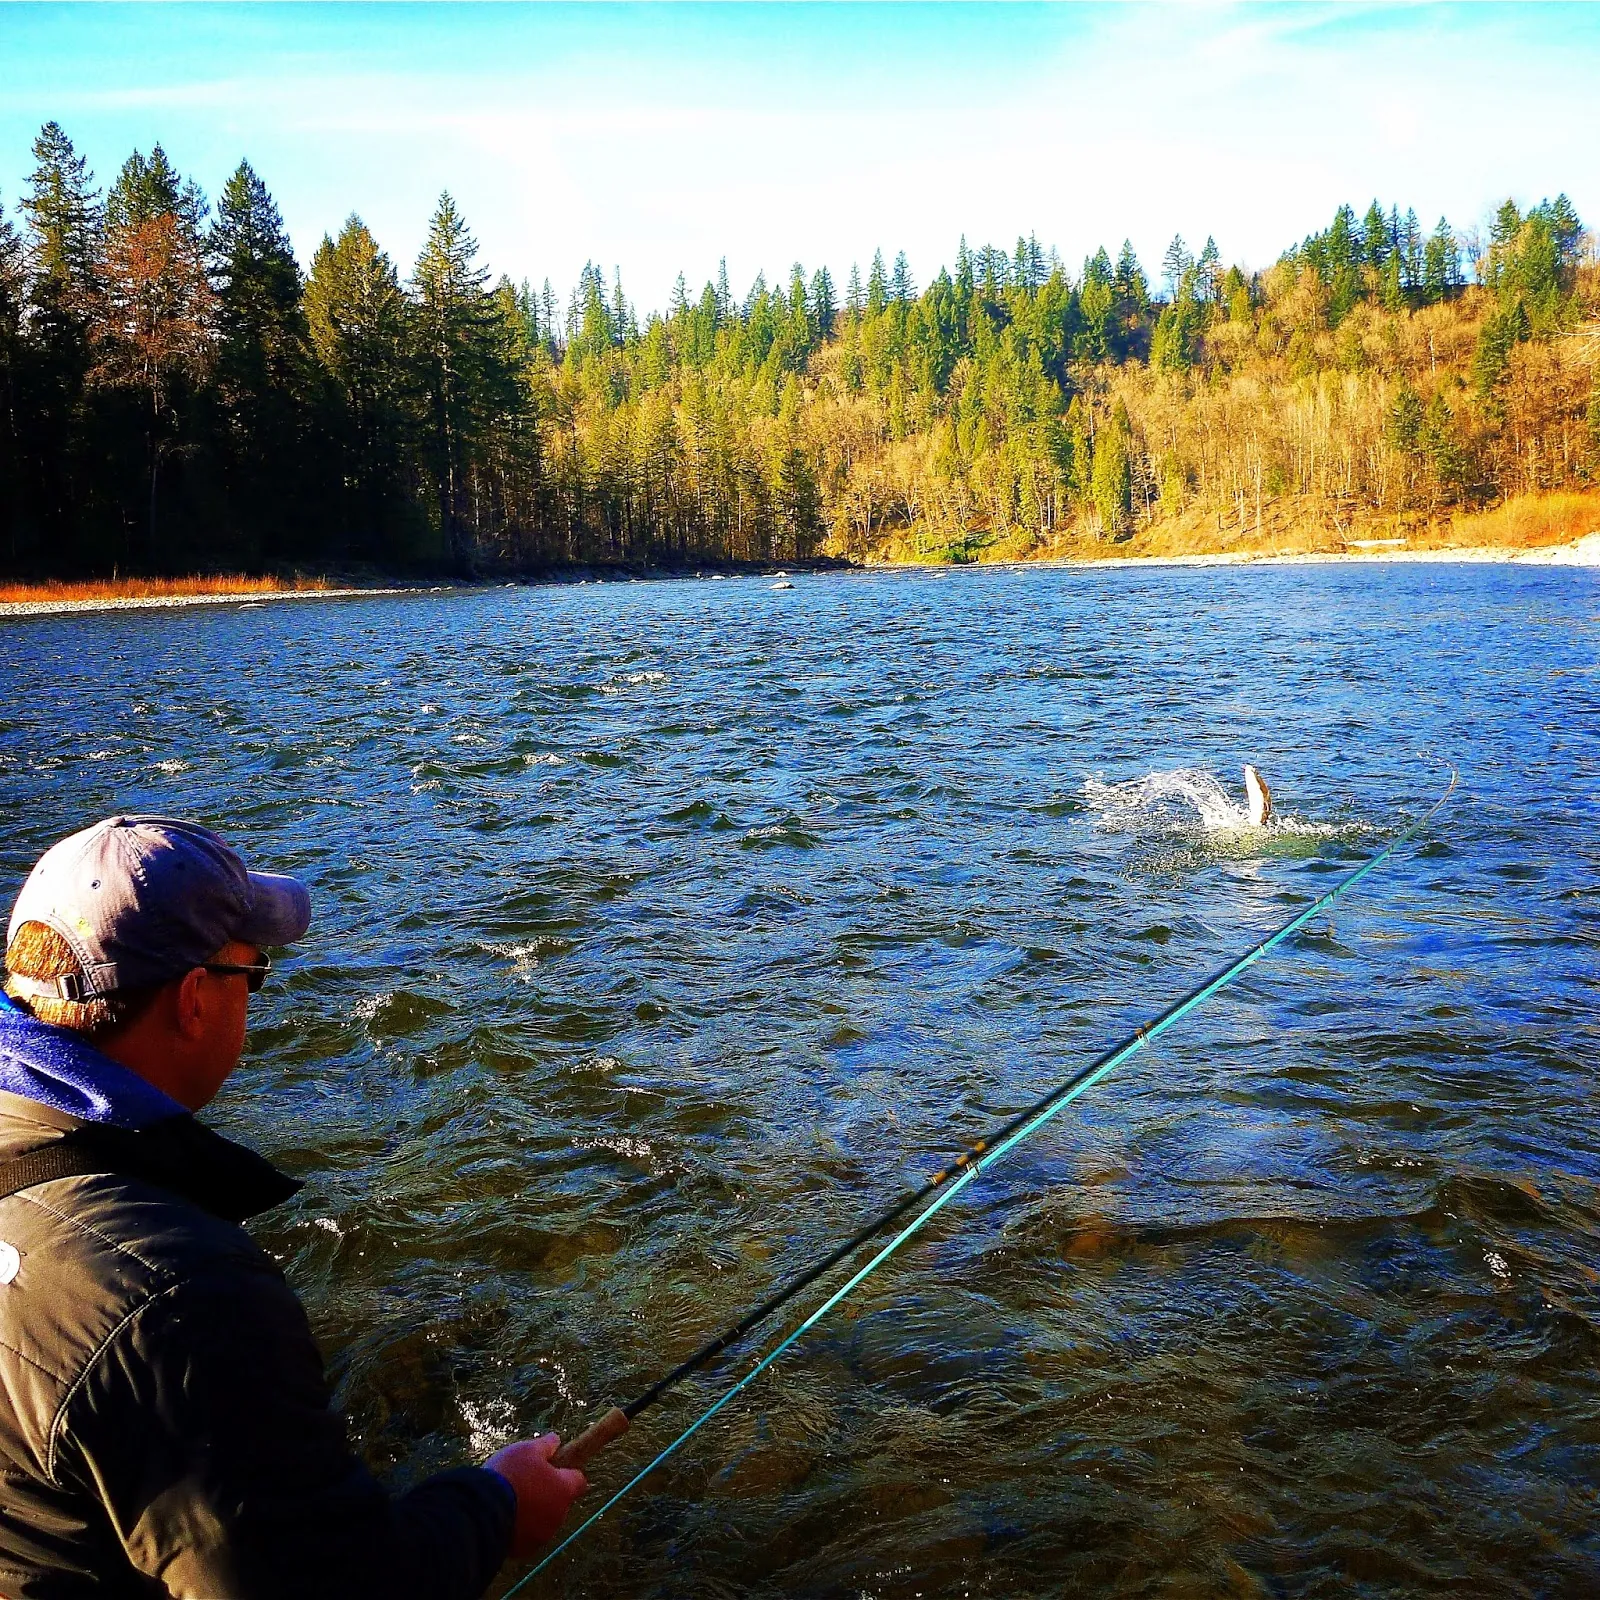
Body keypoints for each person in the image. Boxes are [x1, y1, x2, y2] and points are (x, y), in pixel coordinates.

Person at [0, 815, 587, 1598]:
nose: (254, 1000)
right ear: (193, 1000)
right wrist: (495, 1508)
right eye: (254, 973)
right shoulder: (182, 1297)